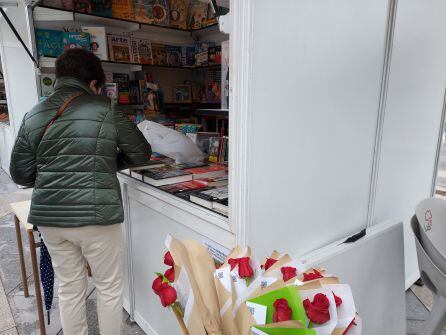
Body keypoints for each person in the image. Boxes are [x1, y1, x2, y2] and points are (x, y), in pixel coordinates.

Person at [9, 48, 151, 335]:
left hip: (51, 219)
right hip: (97, 216)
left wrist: (53, 174)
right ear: (95, 84)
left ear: (59, 77)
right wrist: (107, 163)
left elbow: (20, 173)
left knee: (70, 286)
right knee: (108, 288)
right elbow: (141, 154)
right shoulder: (106, 109)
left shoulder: (33, 114)